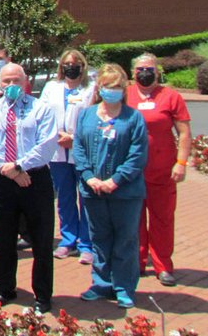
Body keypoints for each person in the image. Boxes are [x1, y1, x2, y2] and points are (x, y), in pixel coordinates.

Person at [0, 63, 58, 313]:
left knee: (41, 241)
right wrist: (11, 171)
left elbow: (47, 144)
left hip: (34, 180)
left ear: (25, 82)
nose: (11, 85)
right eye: (6, 81)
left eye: (16, 81)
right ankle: (4, 289)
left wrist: (20, 166)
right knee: (3, 240)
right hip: (3, 182)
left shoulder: (41, 109)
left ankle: (42, 295)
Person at [73, 64, 148, 309]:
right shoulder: (86, 115)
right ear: (99, 88)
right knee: (99, 238)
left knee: (125, 239)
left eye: (116, 86)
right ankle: (101, 283)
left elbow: (137, 155)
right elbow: (79, 148)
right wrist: (88, 176)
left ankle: (123, 287)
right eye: (107, 86)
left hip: (125, 193)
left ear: (124, 88)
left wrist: (115, 180)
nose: (111, 90)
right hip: (93, 190)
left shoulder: (133, 118)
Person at [126, 53, 192, 287]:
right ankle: (138, 260)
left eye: (149, 69)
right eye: (140, 69)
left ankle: (163, 264)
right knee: (134, 219)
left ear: (157, 71)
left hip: (162, 171)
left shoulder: (170, 97)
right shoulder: (125, 95)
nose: (145, 72)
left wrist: (181, 162)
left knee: (162, 219)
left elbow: (184, 133)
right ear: (133, 72)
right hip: (131, 171)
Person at [40, 49, 95, 264]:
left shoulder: (91, 89)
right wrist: (57, 136)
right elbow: (42, 115)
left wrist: (75, 138)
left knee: (86, 197)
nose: (70, 67)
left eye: (75, 63)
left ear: (82, 66)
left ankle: (87, 244)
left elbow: (95, 117)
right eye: (66, 63)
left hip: (82, 151)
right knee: (64, 198)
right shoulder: (52, 88)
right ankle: (67, 240)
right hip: (57, 151)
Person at [0, 44, 33, 246]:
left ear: (8, 59)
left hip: (16, 151)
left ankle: (24, 232)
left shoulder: (19, 84)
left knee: (21, 193)